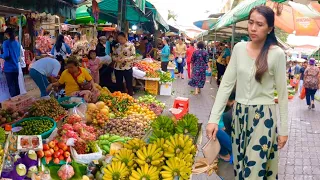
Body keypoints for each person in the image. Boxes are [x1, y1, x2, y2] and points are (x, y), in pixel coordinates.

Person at [206, 6, 288, 179]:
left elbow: (282, 95)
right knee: (241, 168)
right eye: (251, 23)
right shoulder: (239, 49)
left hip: (264, 119)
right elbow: (226, 85)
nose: (253, 28)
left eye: (259, 24)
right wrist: (214, 118)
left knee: (254, 171)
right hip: (240, 116)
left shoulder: (277, 54)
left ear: (270, 29)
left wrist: (284, 130)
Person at [0, 28, 21, 97]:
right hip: (16, 67)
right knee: (16, 85)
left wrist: (0, 55)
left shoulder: (6, 42)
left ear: (6, 34)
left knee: (11, 86)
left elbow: (6, 55)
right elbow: (18, 55)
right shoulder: (17, 43)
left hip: (9, 68)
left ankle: (15, 103)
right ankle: (19, 102)